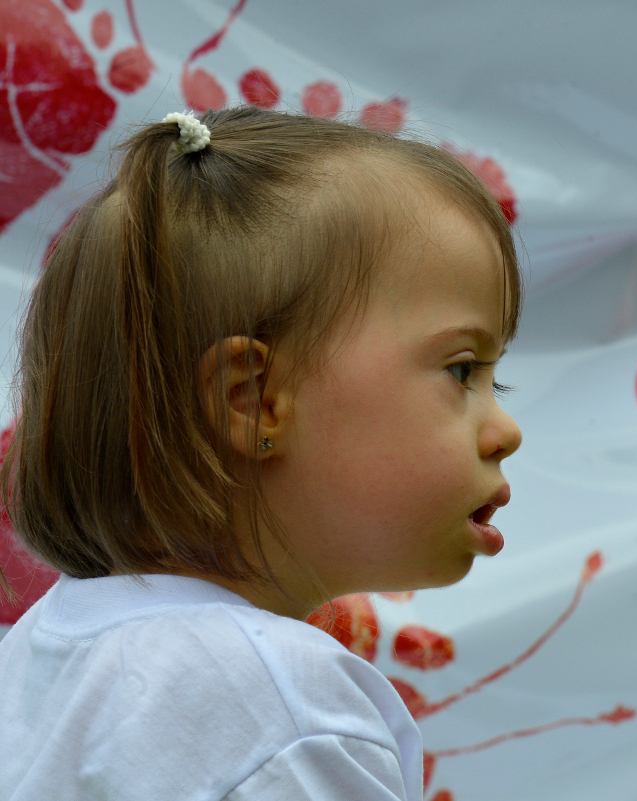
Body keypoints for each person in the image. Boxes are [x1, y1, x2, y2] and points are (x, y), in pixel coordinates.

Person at [0, 106, 523, 800]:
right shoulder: (282, 712)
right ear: (251, 400)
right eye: (462, 369)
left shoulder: (36, 660)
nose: (506, 430)